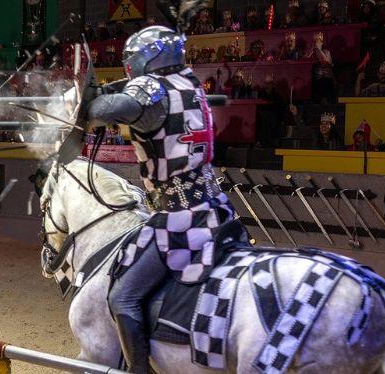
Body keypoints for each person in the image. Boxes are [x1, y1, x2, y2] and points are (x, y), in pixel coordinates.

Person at [85, 26, 248, 373]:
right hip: (214, 207)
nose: (129, 65)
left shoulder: (152, 88)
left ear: (150, 55)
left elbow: (107, 108)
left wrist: (88, 100)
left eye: (131, 58)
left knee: (122, 297)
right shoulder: (189, 84)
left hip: (180, 218)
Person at [305, 32, 335, 103]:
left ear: (322, 43)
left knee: (325, 82)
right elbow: (305, 61)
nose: (317, 43)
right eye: (316, 41)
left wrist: (320, 50)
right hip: (315, 78)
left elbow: (329, 62)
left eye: (319, 41)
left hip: (326, 78)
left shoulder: (326, 52)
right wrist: (312, 50)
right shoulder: (311, 53)